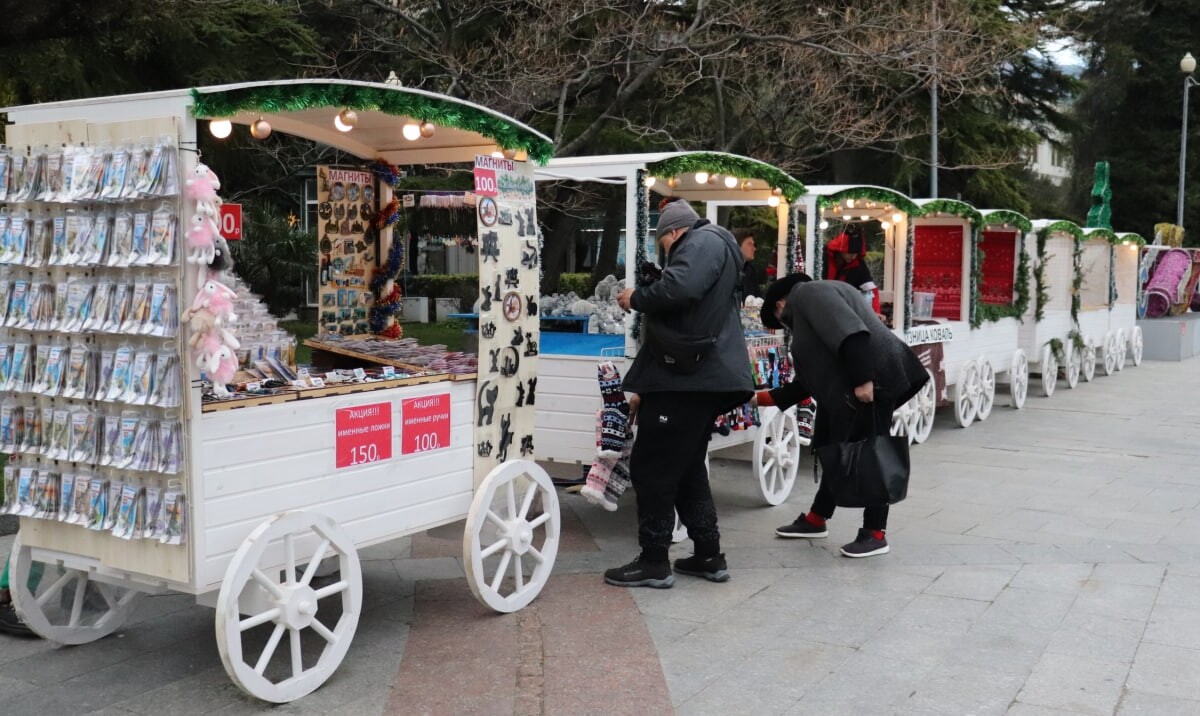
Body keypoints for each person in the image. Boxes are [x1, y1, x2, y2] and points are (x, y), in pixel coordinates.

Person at [610, 199, 753, 587]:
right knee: (688, 467)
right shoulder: (714, 244)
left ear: (673, 233)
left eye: (665, 245)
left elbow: (681, 287)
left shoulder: (701, 240)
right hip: (696, 376)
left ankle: (654, 560)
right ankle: (708, 555)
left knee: (652, 466)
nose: (667, 253)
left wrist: (637, 297)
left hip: (689, 379)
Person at [758, 273, 928, 557]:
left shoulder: (809, 294)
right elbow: (810, 379)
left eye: (781, 320)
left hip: (873, 381)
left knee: (872, 455)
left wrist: (864, 380)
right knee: (833, 448)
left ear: (780, 304)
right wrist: (761, 398)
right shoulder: (812, 299)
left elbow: (853, 333)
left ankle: (875, 533)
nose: (786, 325)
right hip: (853, 388)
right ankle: (817, 518)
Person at [824, 224, 881, 314]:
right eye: (851, 253)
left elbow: (870, 290)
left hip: (846, 309)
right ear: (841, 249)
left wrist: (875, 313)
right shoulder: (823, 259)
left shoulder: (858, 263)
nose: (854, 257)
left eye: (856, 254)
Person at [734, 228, 761, 300]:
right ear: (737, 246)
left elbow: (757, 296)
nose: (754, 248)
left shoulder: (750, 270)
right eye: (749, 244)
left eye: (753, 244)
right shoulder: (727, 269)